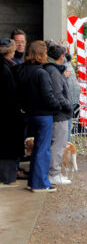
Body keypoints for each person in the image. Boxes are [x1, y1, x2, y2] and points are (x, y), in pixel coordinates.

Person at [15, 40, 60, 192]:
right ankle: (40, 183)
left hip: (29, 113)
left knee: (37, 149)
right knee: (42, 149)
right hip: (43, 115)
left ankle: (34, 181)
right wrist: (57, 105)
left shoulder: (21, 70)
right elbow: (48, 96)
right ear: (41, 54)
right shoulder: (41, 73)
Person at [43, 42, 73, 186]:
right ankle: (54, 173)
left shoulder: (51, 70)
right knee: (59, 144)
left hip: (57, 112)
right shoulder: (54, 72)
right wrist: (69, 106)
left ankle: (53, 172)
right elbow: (58, 94)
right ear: (61, 57)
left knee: (56, 143)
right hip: (60, 113)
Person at [0, 38, 24, 186]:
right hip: (7, 114)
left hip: (7, 112)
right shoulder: (5, 68)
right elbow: (10, 93)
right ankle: (7, 176)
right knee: (8, 146)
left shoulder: (7, 66)